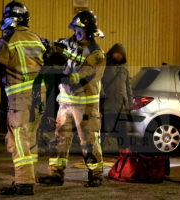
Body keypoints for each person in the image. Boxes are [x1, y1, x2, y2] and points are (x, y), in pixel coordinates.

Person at [37, 10, 106, 187]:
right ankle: (55, 174)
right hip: (65, 102)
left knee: (88, 140)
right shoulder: (68, 43)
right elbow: (56, 48)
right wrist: (46, 47)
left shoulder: (96, 53)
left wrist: (63, 75)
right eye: (75, 29)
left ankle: (95, 174)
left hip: (86, 105)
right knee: (60, 138)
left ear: (90, 32)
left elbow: (84, 75)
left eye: (80, 30)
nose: (77, 33)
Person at [0, 1, 48, 195]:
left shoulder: (7, 40)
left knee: (19, 139)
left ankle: (24, 183)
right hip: (39, 95)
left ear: (8, 19)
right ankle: (28, 177)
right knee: (29, 137)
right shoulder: (35, 39)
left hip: (21, 96)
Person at [100, 43, 133, 150]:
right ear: (112, 53)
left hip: (120, 107)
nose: (119, 55)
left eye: (121, 54)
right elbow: (98, 82)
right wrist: (101, 98)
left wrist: (129, 104)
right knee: (101, 132)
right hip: (106, 105)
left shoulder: (125, 68)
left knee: (122, 133)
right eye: (117, 53)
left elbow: (128, 87)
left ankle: (125, 156)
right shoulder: (104, 65)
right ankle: (96, 155)